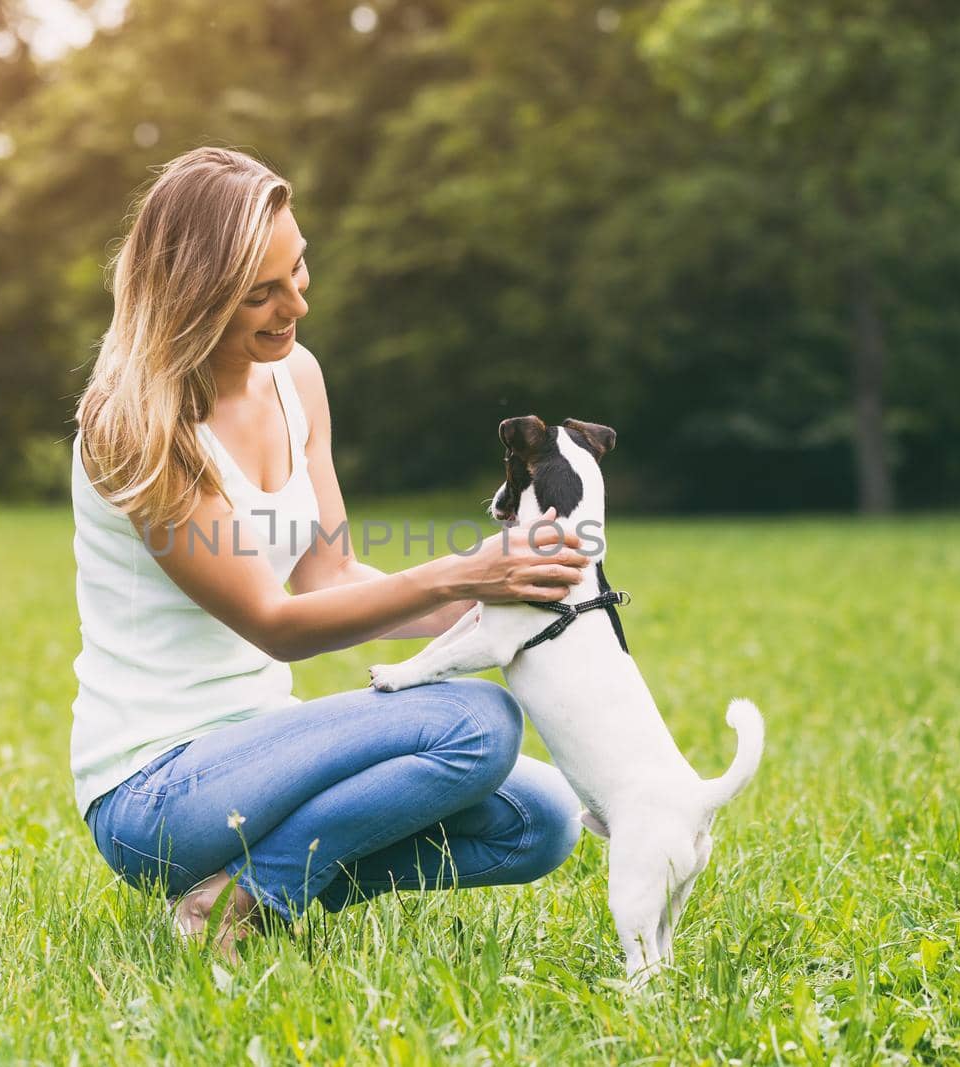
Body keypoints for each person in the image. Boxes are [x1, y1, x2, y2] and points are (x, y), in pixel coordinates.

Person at [71, 147, 589, 957]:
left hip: (265, 748)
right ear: (194, 297)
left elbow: (331, 577)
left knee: (541, 820)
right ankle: (239, 903)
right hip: (156, 792)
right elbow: (277, 622)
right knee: (477, 722)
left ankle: (245, 890)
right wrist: (460, 568)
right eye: (260, 293)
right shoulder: (135, 424)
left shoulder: (295, 377)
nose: (294, 306)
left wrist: (511, 591)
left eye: (299, 270)